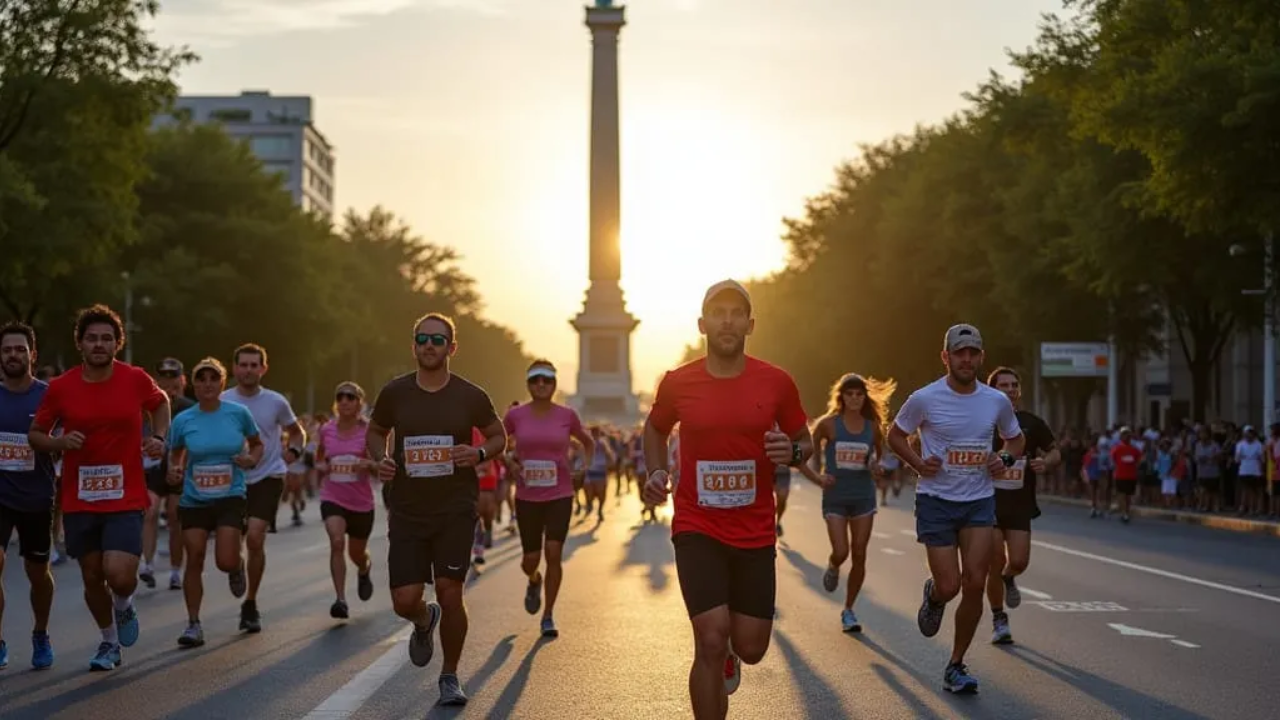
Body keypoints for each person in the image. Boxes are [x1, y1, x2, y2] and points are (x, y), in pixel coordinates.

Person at [641, 280, 812, 719]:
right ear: (702, 324)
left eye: (738, 313)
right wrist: (657, 472)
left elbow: (803, 441)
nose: (728, 320)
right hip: (698, 526)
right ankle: (719, 659)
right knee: (710, 638)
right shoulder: (679, 383)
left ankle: (735, 653)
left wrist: (790, 453)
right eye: (718, 312)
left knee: (751, 647)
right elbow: (656, 428)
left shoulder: (776, 381)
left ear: (751, 324)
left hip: (754, 530)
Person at [367, 312, 506, 707]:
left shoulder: (470, 395)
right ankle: (423, 620)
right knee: (404, 600)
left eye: (438, 340)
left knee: (450, 591)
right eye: (423, 338)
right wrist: (382, 458)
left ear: (452, 348)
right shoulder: (395, 393)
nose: (430, 345)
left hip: (455, 507)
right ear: (413, 346)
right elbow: (376, 432)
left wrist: (478, 452)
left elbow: (499, 436)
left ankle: (449, 675)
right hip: (408, 507)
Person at [29, 304, 171, 671]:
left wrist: (158, 436)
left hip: (125, 494)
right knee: (92, 575)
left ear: (117, 343)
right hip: (80, 498)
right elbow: (36, 435)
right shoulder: (61, 387)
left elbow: (161, 403)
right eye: (91, 338)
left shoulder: (135, 378)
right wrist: (60, 444)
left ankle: (123, 604)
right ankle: (109, 642)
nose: (99, 344)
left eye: (106, 338)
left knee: (120, 575)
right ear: (80, 343)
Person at [887, 323, 1023, 694]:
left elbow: (1016, 437)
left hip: (978, 501)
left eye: (973, 352)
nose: (966, 359)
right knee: (949, 585)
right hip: (936, 501)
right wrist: (917, 463)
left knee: (975, 583)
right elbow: (895, 435)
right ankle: (934, 594)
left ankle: (956, 664)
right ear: (946, 356)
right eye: (959, 352)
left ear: (981, 357)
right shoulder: (924, 399)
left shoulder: (994, 400)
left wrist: (1006, 458)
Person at [167, 358, 260, 647]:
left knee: (225, 559)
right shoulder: (183, 420)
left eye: (213, 378)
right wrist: (175, 469)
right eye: (201, 379)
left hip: (230, 497)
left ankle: (236, 565)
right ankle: (194, 624)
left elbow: (257, 443)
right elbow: (176, 452)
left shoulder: (238, 413)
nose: (207, 384)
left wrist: (250, 459)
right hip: (194, 498)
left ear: (222, 383)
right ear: (193, 385)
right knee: (193, 556)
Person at [503, 359, 594, 638]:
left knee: (553, 552)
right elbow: (496, 441)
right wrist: (508, 460)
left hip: (560, 493)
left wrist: (583, 467)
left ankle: (548, 615)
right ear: (528, 384)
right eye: (535, 380)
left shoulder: (567, 415)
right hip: (528, 496)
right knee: (530, 559)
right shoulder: (516, 416)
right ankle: (534, 579)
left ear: (554, 384)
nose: (541, 385)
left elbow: (588, 443)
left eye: (547, 380)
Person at [221, 343, 306, 633]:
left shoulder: (276, 401)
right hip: (232, 479)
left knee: (255, 538)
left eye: (253, 365)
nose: (247, 370)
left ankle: (251, 603)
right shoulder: (222, 400)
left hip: (269, 475)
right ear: (234, 369)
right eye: (242, 365)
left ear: (263, 369)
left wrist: (294, 452)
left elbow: (296, 431)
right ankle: (235, 566)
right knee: (231, 549)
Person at [801, 372, 895, 633]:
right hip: (836, 497)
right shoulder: (828, 425)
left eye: (859, 394)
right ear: (841, 396)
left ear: (865, 397)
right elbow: (809, 452)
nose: (854, 398)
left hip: (863, 496)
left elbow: (879, 458)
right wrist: (819, 475)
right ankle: (833, 565)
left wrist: (877, 467)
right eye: (849, 393)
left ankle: (849, 609)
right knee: (841, 550)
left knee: (860, 553)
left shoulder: (873, 427)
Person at [984, 367, 1056, 646]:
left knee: (1018, 561)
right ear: (992, 391)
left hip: (1020, 505)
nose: (1011, 389)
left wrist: (1045, 462)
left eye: (1014, 384)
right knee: (994, 561)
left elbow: (1054, 451)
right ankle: (998, 618)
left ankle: (1008, 578)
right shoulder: (982, 423)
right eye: (1004, 385)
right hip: (987, 504)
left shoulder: (1031, 423)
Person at [0, 322, 56, 670]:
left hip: (37, 497)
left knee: (38, 573)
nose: (13, 355)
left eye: (20, 349)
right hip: (0, 496)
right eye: (7, 350)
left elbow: (66, 439)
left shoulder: (50, 396)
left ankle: (40, 633)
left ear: (32, 354)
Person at [315, 381, 377, 619]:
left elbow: (382, 465)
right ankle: (340, 599)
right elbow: (320, 456)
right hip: (333, 496)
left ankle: (364, 568)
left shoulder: (369, 430)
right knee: (337, 542)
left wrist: (368, 464)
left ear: (359, 402)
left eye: (350, 397)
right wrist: (322, 465)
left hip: (361, 502)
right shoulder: (327, 430)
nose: (344, 401)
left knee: (356, 553)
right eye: (340, 397)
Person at [141, 357, 195, 592]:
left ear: (182, 380)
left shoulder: (189, 407)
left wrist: (185, 466)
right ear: (157, 379)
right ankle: (148, 565)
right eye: (164, 377)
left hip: (179, 467)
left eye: (174, 377)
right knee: (150, 510)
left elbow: (195, 441)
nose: (169, 382)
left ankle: (175, 570)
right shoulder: (148, 406)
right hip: (154, 466)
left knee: (175, 516)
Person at [1110, 427, 1141, 523]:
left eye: (1128, 434)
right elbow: (1113, 460)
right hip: (1120, 475)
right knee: (1121, 495)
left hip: (1131, 476)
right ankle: (1124, 513)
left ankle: (1126, 512)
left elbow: (1138, 460)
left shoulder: (1135, 450)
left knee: (1128, 496)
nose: (1126, 436)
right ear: (1120, 437)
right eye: (1124, 434)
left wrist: (1134, 467)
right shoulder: (1116, 449)